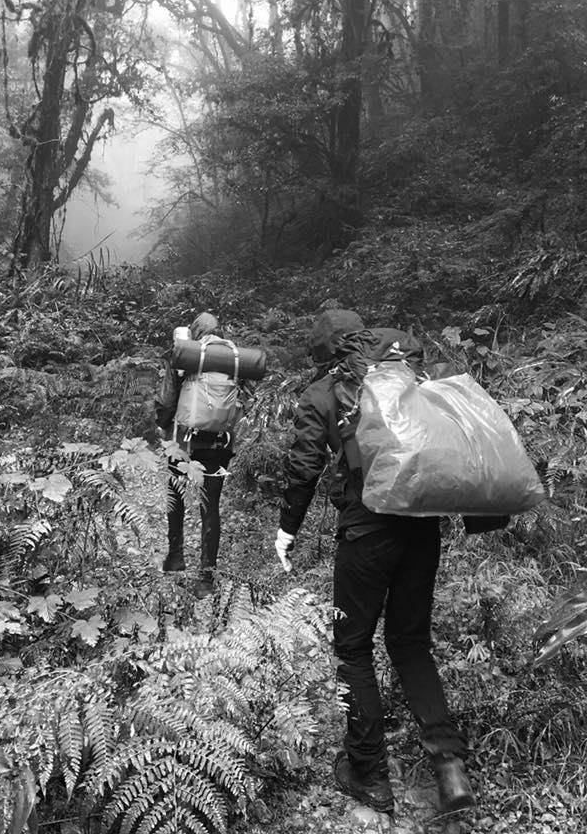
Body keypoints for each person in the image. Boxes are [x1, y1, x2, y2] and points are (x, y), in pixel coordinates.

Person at [274, 308, 475, 815]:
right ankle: (449, 767)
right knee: (410, 644)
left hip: (367, 532)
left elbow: (304, 464)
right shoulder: (406, 377)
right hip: (422, 524)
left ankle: (368, 773)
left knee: (353, 647)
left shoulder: (324, 392)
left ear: (323, 352)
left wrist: (287, 528)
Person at [155, 312, 234, 598]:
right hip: (219, 443)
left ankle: (175, 557)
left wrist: (164, 426)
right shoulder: (233, 360)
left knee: (175, 496)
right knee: (210, 506)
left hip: (183, 442)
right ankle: (206, 578)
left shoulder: (184, 357)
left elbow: (166, 400)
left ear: (194, 333)